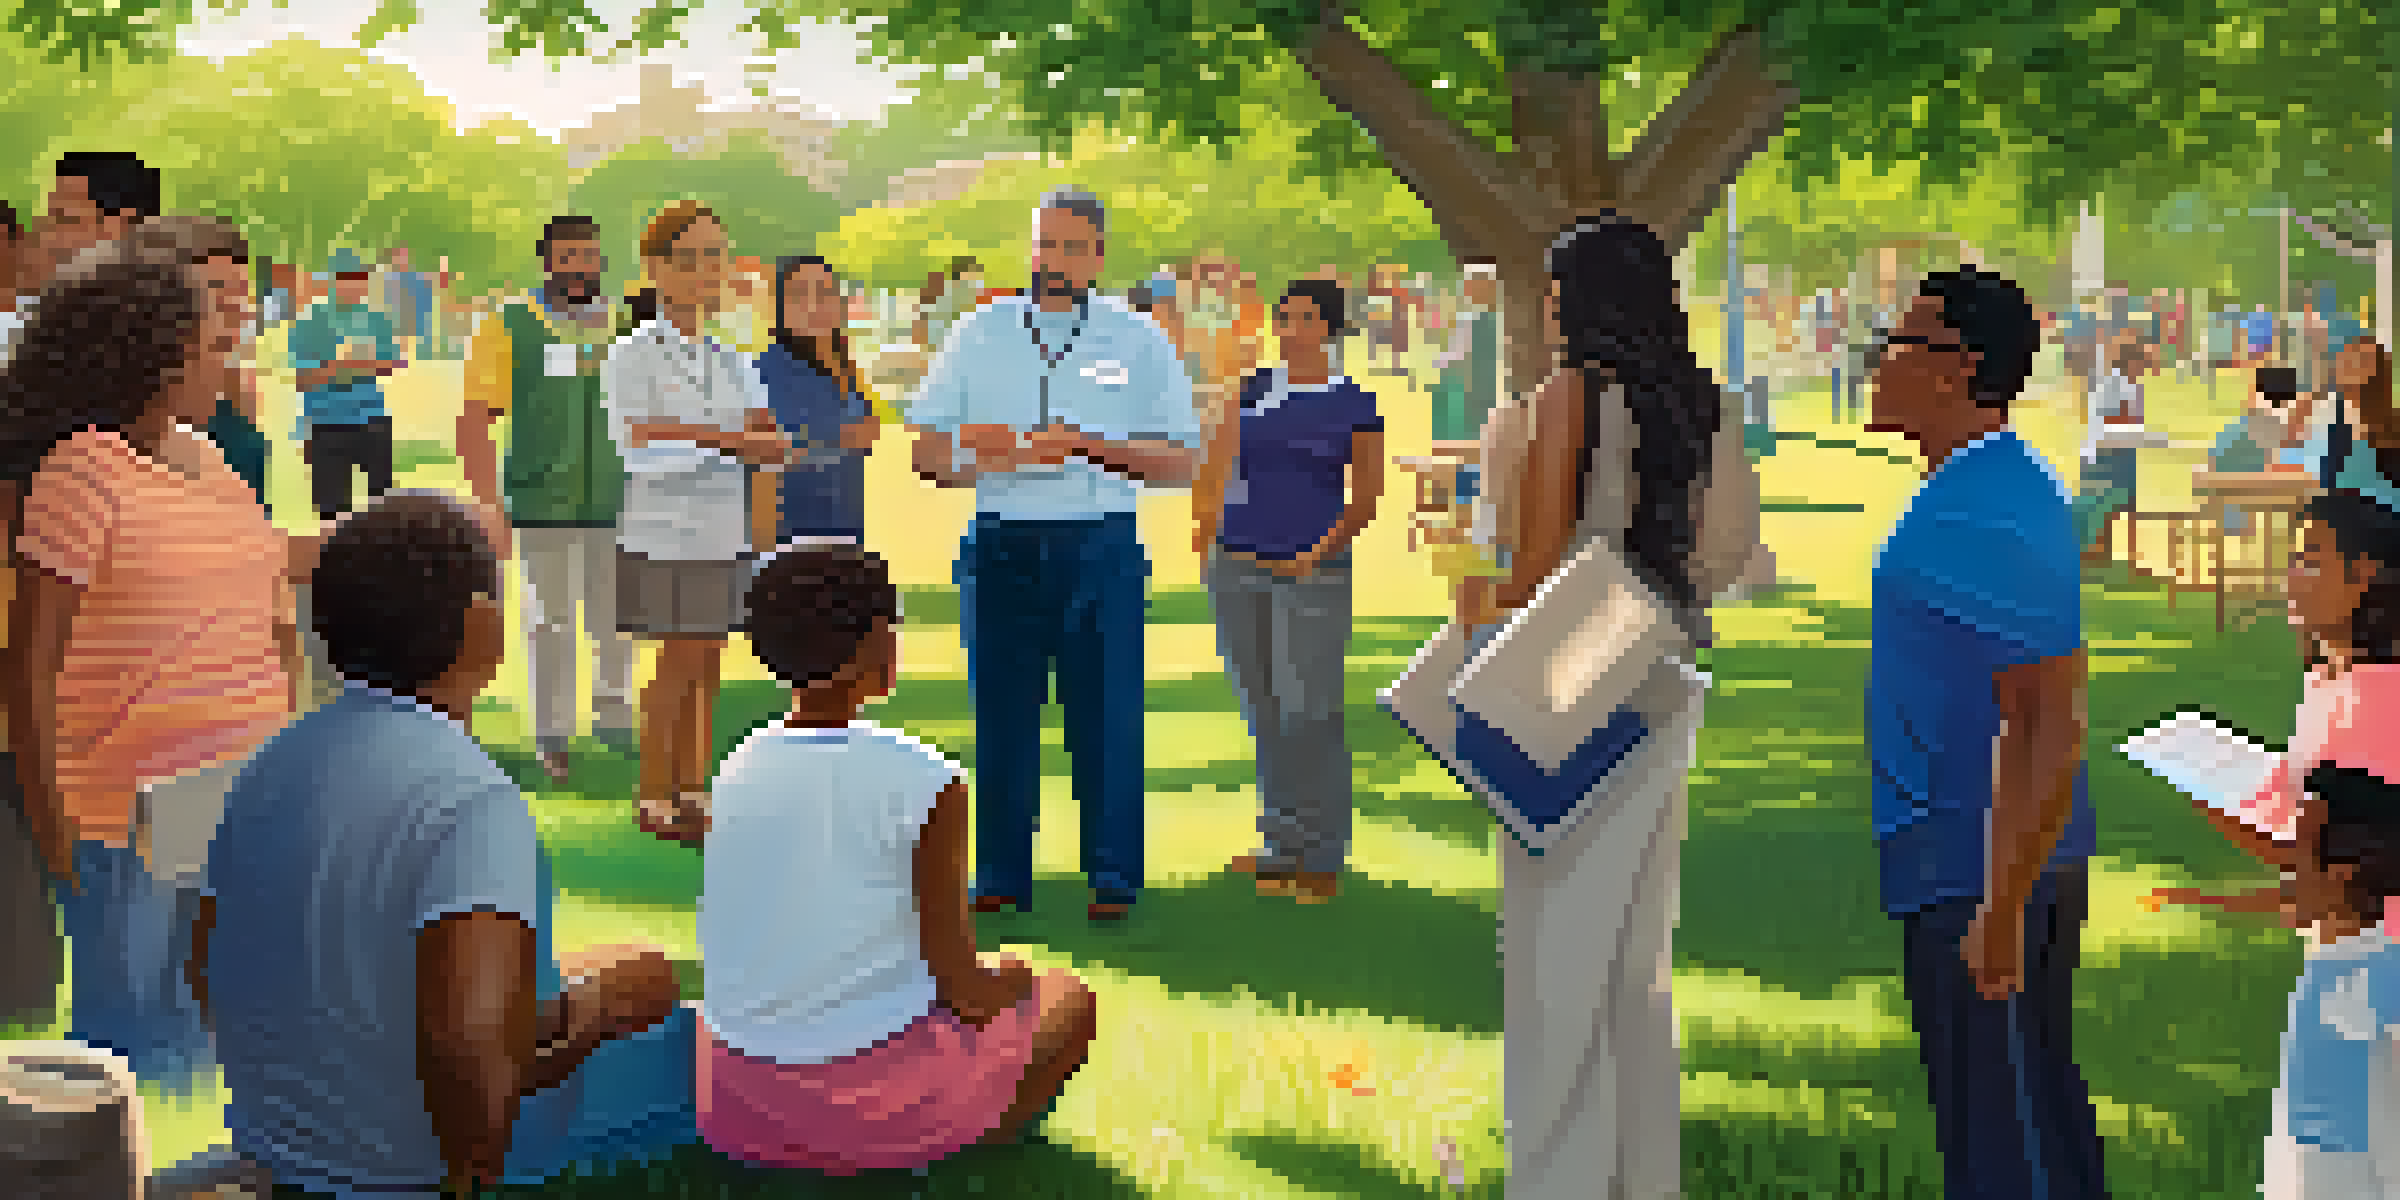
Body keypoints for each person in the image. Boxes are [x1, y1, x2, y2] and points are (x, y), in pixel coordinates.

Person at [189, 491, 696, 1196]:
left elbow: (207, 966)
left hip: (281, 1132)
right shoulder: (468, 803)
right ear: (481, 626)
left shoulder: (272, 763)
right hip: (404, 1163)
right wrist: (592, 1017)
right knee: (674, 1024)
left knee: (631, 970)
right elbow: (473, 1065)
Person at [1447, 213, 1764, 1198]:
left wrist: (1468, 588)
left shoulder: (1567, 398)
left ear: (1574, 301)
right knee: (1634, 968)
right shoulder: (1704, 407)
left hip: (1568, 679)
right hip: (1665, 672)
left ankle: (1555, 1183)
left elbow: (1534, 572)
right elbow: (1728, 559)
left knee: (1554, 966)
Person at [4, 243, 311, 1094]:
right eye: (213, 344)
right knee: (130, 1041)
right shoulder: (81, 473)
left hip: (231, 797)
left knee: (208, 1030)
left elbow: (266, 604)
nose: (229, 361)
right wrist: (53, 818)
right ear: (155, 355)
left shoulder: (208, 460)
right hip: (121, 817)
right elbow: (31, 664)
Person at [690, 544, 1099, 1171]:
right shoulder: (928, 782)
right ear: (877, 641)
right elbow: (963, 990)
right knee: (1067, 999)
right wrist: (1013, 978)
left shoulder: (741, 763)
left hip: (733, 1104)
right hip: (866, 1110)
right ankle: (951, 1140)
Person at [1865, 266, 2109, 1199]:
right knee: (2020, 1120)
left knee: (2007, 1148)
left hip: (1981, 862)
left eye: (1901, 341)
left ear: (1956, 369)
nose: (1879, 362)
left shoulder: (1988, 502)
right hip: (1966, 856)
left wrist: (2000, 907)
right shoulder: (1977, 487)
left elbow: (2049, 713)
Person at [906, 187, 1201, 922]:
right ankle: (1002, 874)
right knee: (1001, 717)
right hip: (1000, 541)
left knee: (1106, 718)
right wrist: (983, 452)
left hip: (1100, 544)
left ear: (1098, 256)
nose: (1054, 261)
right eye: (1045, 245)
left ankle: (1112, 876)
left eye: (1072, 247)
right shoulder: (979, 332)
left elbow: (1180, 463)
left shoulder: (1137, 339)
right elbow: (927, 452)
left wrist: (1087, 447)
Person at [604, 202, 791, 841]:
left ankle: (692, 787)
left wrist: (738, 441)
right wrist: (727, 440)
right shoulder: (634, 355)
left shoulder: (732, 356)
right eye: (689, 258)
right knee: (679, 657)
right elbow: (640, 447)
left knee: (709, 658)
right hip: (663, 529)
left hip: (724, 526)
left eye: (714, 255)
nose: (704, 270)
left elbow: (759, 433)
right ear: (656, 268)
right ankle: (653, 791)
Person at [1194, 278, 1382, 904]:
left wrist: (1317, 554)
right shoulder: (1250, 389)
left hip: (1311, 575)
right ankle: (1281, 843)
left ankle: (1323, 854)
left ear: (1330, 328)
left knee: (1311, 712)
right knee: (1265, 710)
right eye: (1285, 315)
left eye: (1304, 317)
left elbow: (1367, 496)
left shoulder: (1353, 402)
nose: (1290, 328)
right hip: (1236, 567)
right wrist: (1208, 543)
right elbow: (1217, 466)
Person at [455, 215, 636, 783]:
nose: (580, 267)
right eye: (568, 256)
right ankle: (552, 733)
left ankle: (613, 717)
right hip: (540, 502)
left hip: (620, 499)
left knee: (617, 620)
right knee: (550, 623)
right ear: (547, 261)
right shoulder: (510, 326)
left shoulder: (628, 325)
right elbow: (475, 422)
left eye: (589, 255)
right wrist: (490, 504)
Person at [755, 255, 889, 552]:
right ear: (782, 307)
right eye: (802, 294)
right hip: (789, 542)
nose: (815, 305)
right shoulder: (764, 373)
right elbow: (763, 451)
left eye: (825, 293)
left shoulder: (844, 370)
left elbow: (862, 441)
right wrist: (840, 439)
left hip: (847, 536)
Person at [290, 247, 405, 522]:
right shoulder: (311, 321)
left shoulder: (378, 318)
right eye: (347, 277)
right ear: (332, 280)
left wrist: (355, 366)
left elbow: (391, 363)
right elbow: (303, 380)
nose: (355, 284)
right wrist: (346, 367)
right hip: (326, 424)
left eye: (360, 277)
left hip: (373, 421)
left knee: (382, 511)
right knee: (331, 515)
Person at [2075, 332, 2151, 554]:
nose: (2144, 367)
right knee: (2105, 506)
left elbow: (2134, 421)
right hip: (2104, 454)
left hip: (2123, 451)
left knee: (2128, 505)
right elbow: (2112, 420)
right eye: (2142, 362)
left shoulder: (2135, 386)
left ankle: (2128, 551)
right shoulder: (2112, 384)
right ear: (2130, 361)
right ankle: (2095, 550)